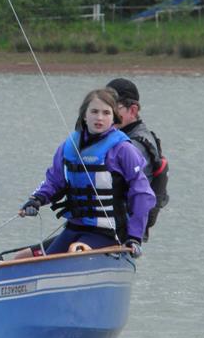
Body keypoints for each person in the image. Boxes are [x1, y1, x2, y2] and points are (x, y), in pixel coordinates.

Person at [17, 88, 155, 257]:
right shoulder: (68, 147)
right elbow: (54, 181)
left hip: (108, 234)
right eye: (94, 111)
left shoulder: (123, 149)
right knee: (33, 260)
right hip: (74, 228)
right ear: (84, 115)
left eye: (106, 113)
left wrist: (134, 237)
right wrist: (36, 200)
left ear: (113, 118)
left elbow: (142, 194)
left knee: (75, 250)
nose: (99, 117)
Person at [105, 78, 169, 239]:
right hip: (99, 225)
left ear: (132, 110)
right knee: (32, 252)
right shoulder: (116, 137)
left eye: (112, 108)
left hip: (118, 232)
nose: (105, 114)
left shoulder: (135, 145)